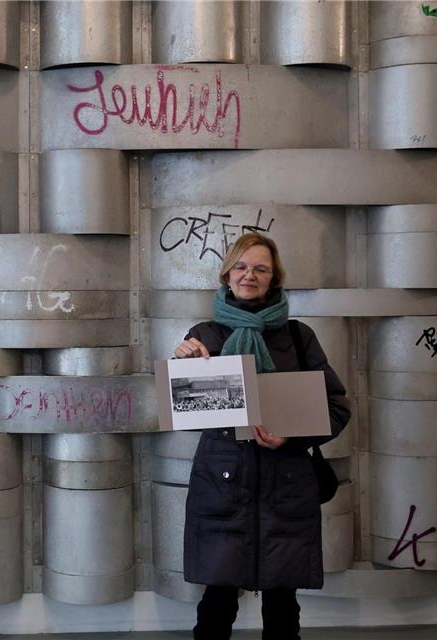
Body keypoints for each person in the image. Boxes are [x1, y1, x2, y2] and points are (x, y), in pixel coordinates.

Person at [174, 233, 350, 640]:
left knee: (282, 604)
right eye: (241, 266)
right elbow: (190, 412)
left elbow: (336, 406)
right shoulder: (205, 335)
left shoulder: (299, 336)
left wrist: (290, 438)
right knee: (216, 601)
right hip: (223, 484)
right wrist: (184, 366)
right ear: (227, 274)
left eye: (260, 268)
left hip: (284, 483)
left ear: (274, 279)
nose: (249, 275)